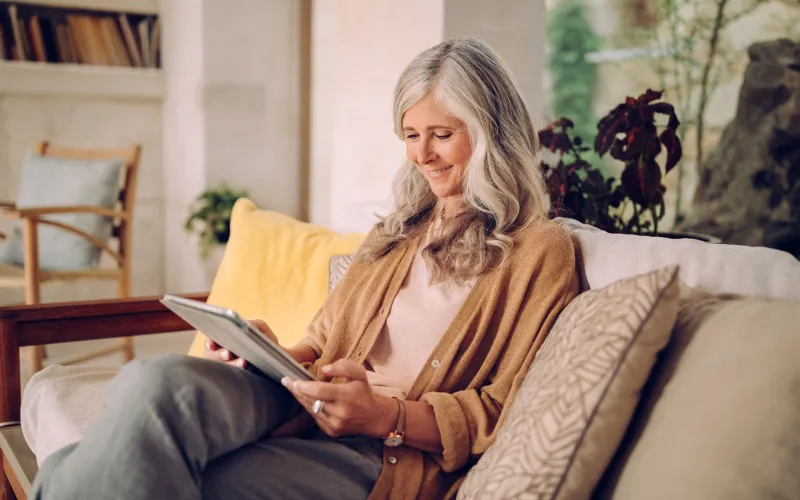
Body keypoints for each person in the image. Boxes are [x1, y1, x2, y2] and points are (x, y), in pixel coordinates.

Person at [31, 36, 579, 500]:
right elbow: (319, 342)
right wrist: (268, 353)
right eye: (411, 136)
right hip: (303, 400)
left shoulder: (538, 251)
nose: (422, 155)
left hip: (384, 454)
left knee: (74, 474)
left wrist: (383, 416)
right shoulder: (398, 232)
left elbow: (503, 409)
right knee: (156, 379)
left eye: (442, 135)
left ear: (491, 133)